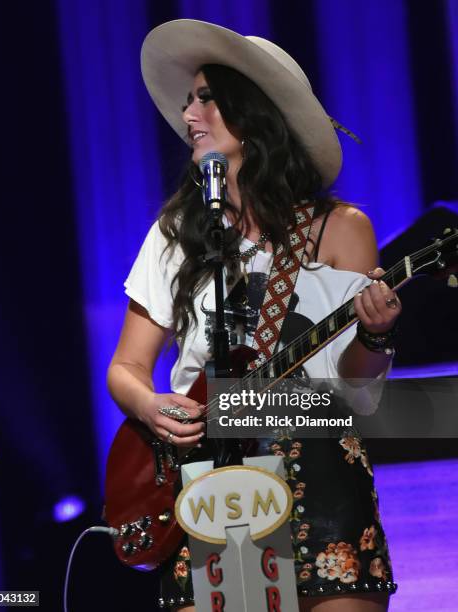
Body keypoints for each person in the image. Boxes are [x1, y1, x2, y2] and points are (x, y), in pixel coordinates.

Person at [107, 19, 401, 612]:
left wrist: (374, 333)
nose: (189, 112)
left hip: (318, 478)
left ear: (254, 112)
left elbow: (360, 394)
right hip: (209, 479)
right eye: (189, 99)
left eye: (206, 97)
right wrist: (150, 406)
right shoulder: (175, 235)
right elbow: (126, 367)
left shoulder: (340, 230)